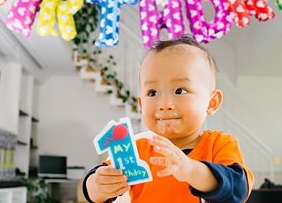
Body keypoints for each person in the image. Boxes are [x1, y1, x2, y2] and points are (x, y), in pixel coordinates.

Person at [83, 36, 254, 202]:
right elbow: (94, 187)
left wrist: (191, 170)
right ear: (141, 104)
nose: (164, 104)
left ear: (212, 102)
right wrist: (98, 185)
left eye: (180, 90)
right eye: (153, 93)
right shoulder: (137, 150)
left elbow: (238, 189)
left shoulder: (219, 145)